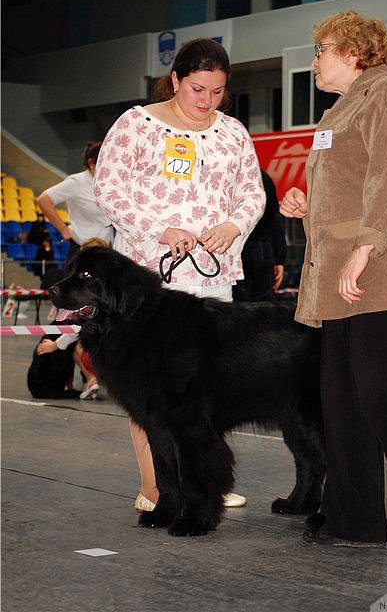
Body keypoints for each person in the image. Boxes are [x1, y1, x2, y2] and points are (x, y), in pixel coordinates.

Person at [93, 38, 266, 514]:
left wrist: (233, 225)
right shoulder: (136, 125)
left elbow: (252, 194)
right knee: (149, 390)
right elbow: (109, 188)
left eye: (217, 91)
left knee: (208, 390)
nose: (207, 100)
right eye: (197, 89)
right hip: (150, 281)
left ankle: (204, 483)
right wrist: (159, 228)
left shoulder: (232, 133)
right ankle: (156, 486)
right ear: (175, 80)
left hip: (212, 278)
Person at [280, 10, 387, 547]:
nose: (314, 60)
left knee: (382, 393)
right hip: (335, 276)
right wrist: (306, 203)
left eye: (321, 49)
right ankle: (354, 520)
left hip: (378, 267)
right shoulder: (338, 112)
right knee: (342, 400)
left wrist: (365, 248)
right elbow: (350, 184)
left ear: (354, 53)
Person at [36, 238, 110, 400]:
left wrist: (55, 345)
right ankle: (90, 380)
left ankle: (90, 378)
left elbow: (77, 330)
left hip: (105, 356)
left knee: (77, 345)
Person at [36, 142, 114, 267]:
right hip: (82, 246)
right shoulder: (76, 182)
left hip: (107, 247)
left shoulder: (109, 183)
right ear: (91, 163)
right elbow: (43, 200)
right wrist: (64, 230)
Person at [233, 169, 286, 302]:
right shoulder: (263, 176)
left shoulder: (228, 173)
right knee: (263, 306)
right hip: (261, 248)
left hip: (234, 246)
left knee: (236, 307)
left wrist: (279, 258)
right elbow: (275, 218)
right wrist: (279, 258)